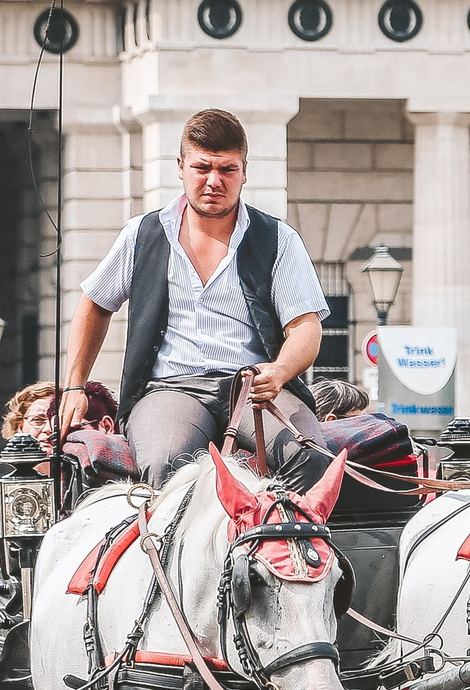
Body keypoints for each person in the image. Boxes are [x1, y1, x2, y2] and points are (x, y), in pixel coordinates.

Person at [60, 107, 330, 486]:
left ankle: (277, 543)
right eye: (203, 168)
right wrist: (75, 387)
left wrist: (280, 370)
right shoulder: (142, 234)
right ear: (181, 166)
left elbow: (305, 326)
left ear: (244, 173)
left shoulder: (278, 239)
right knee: (166, 466)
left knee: (312, 459)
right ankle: (176, 547)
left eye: (227, 169)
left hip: (252, 387)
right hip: (169, 388)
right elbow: (94, 303)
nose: (214, 181)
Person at [0, 381, 123, 574]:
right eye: (37, 420)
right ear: (20, 428)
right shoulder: (5, 487)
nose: (49, 430)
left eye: (61, 421)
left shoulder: (116, 480)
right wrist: (20, 569)